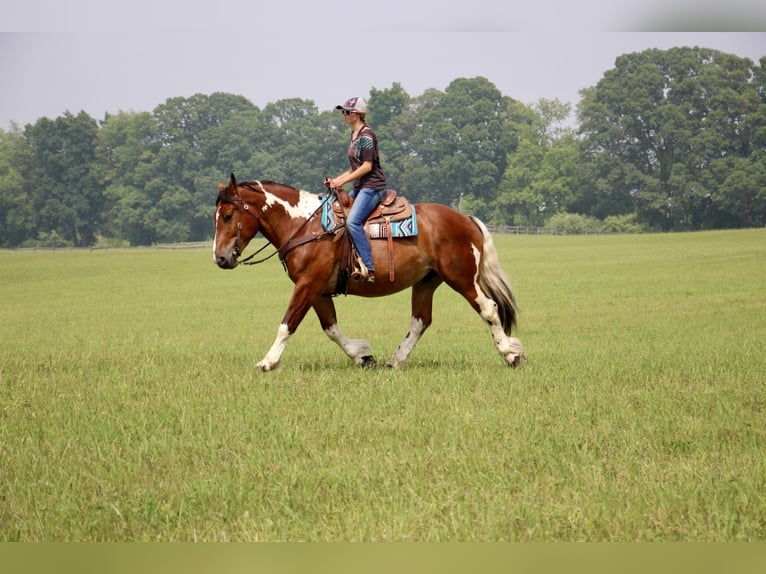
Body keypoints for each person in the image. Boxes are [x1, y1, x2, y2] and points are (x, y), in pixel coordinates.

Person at [325, 96, 386, 284]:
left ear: (358, 114)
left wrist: (343, 181)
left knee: (352, 221)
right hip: (360, 187)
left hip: (372, 187)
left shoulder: (366, 136)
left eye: (347, 112)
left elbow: (367, 166)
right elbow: (354, 168)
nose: (344, 115)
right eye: (343, 111)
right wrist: (337, 181)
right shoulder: (353, 135)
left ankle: (369, 267)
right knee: (336, 213)